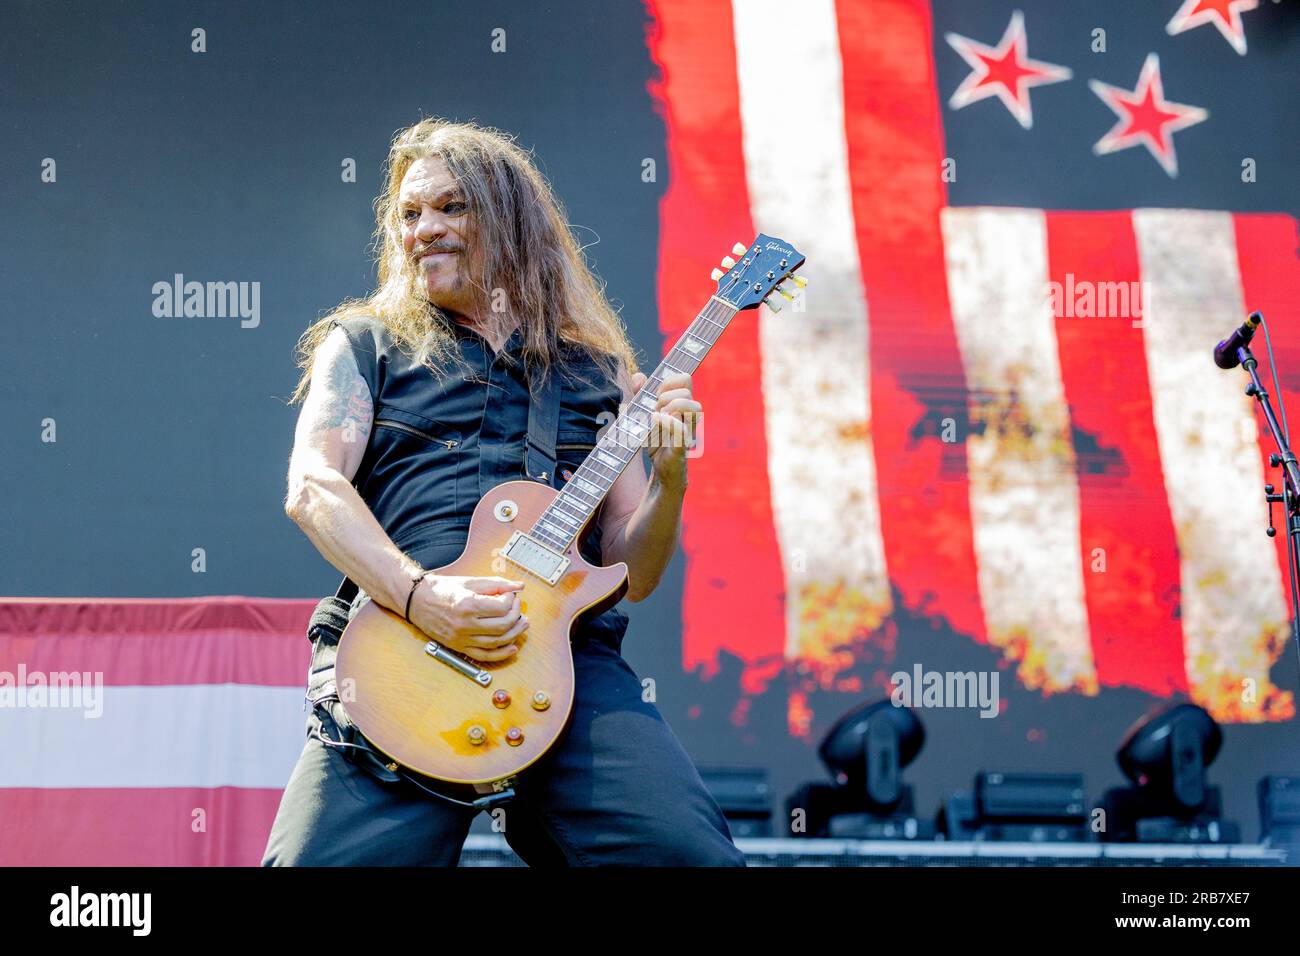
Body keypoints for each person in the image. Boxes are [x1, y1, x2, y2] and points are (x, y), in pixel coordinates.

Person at [262, 117, 746, 866]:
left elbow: (635, 571)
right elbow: (313, 486)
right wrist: (423, 598)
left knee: (691, 858)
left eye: (452, 207)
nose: (425, 229)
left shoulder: (600, 374)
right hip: (406, 647)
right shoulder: (365, 343)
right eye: (410, 214)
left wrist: (673, 478)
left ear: (511, 220)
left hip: (568, 662)